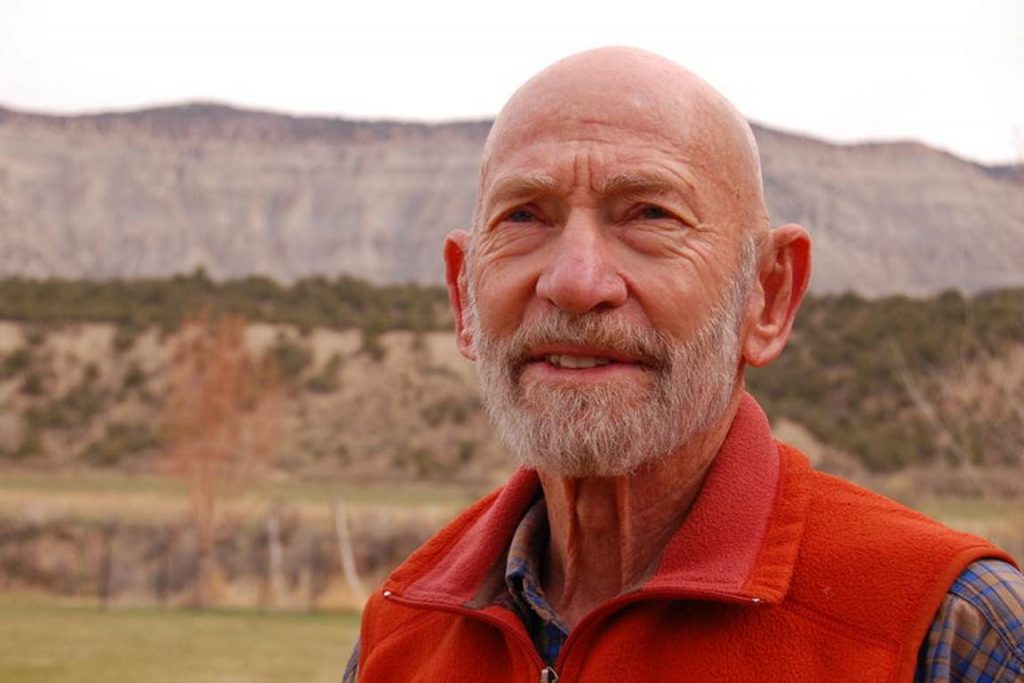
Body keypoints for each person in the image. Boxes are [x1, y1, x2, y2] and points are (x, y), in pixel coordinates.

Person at [345, 47, 1024, 682]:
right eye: (524, 216)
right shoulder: (403, 629)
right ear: (464, 296)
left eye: (649, 214)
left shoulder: (947, 627)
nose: (576, 282)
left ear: (768, 295)